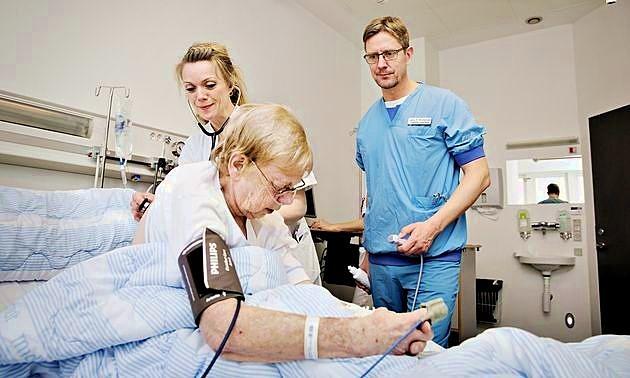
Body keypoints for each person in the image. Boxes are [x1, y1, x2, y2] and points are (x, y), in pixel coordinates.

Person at [137, 103, 433, 361]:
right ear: (238, 164)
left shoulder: (262, 218)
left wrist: (369, 321)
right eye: (280, 188)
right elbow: (222, 325)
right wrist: (354, 334)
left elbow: (304, 293)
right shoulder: (195, 194)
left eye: (293, 189)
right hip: (156, 320)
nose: (288, 201)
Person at [130, 42, 321, 283]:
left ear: (230, 83)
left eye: (209, 85)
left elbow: (297, 206)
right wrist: (158, 203)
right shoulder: (194, 146)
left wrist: (247, 222)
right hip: (233, 255)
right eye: (191, 88)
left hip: (278, 249)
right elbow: (188, 202)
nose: (200, 96)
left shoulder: (262, 128)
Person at [356, 16, 490, 347]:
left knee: (427, 348)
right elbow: (376, 193)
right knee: (388, 349)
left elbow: (479, 175)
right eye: (373, 57)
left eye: (389, 53)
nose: (382, 64)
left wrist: (432, 227)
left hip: (435, 261)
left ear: (408, 53)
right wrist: (366, 249)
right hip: (382, 261)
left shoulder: (444, 105)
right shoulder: (366, 125)